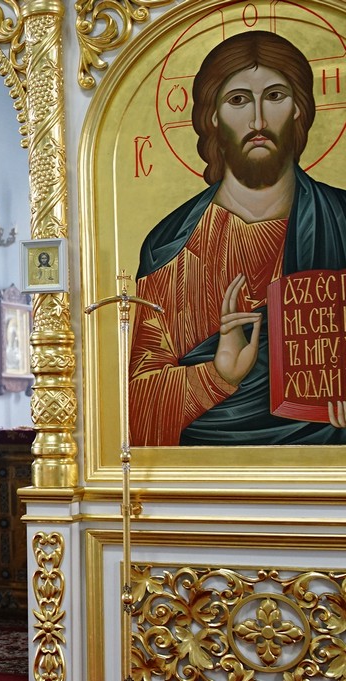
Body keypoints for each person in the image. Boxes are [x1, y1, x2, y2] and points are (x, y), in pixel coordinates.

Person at [130, 31, 346, 446]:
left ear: (299, 108)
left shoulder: (341, 220)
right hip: (200, 473)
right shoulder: (171, 247)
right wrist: (218, 375)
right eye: (239, 100)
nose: (258, 121)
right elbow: (136, 403)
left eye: (275, 96)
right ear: (212, 116)